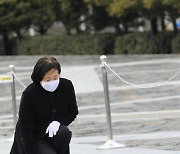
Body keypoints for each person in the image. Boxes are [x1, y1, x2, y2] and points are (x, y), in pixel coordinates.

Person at [10, 56, 78, 154]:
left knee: (64, 132)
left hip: (53, 135)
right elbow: (25, 130)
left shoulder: (66, 86)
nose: (52, 82)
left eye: (55, 78)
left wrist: (58, 122)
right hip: (34, 136)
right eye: (48, 79)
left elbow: (73, 111)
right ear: (39, 79)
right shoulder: (30, 94)